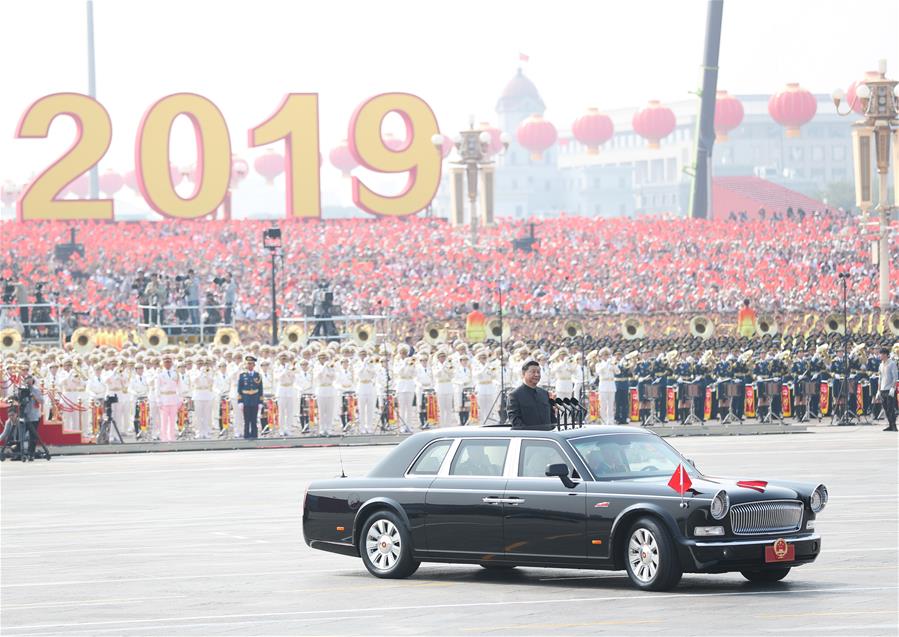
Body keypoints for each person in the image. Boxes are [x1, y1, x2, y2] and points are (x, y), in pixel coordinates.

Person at [507, 360, 557, 430]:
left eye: (538, 372)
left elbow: (552, 417)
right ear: (523, 374)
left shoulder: (544, 393)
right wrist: (530, 433)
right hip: (528, 435)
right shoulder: (514, 395)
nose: (536, 375)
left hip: (547, 435)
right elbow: (515, 420)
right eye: (533, 372)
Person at [155, 354, 182, 442]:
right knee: (164, 420)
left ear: (172, 363)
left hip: (173, 399)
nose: (168, 364)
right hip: (164, 399)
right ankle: (164, 437)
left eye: (169, 362)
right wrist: (158, 400)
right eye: (166, 362)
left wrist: (180, 399)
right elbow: (157, 388)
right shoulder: (160, 374)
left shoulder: (176, 373)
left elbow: (179, 387)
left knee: (173, 420)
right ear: (163, 363)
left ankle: (171, 436)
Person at [238, 355, 263, 439]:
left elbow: (260, 389)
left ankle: (254, 434)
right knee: (246, 420)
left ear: (254, 365)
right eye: (248, 364)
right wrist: (240, 401)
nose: (249, 365)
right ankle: (246, 435)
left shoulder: (258, 375)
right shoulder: (242, 375)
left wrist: (260, 402)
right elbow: (239, 389)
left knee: (254, 419)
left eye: (251, 364)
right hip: (246, 400)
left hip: (255, 399)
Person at [877, 347, 897, 432]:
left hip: (889, 389)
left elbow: (895, 377)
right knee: (885, 408)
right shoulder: (881, 365)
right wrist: (878, 390)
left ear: (885, 354)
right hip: (882, 389)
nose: (879, 356)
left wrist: (893, 388)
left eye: (881, 354)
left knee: (890, 408)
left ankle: (894, 426)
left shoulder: (892, 363)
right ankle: (890, 425)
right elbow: (880, 378)